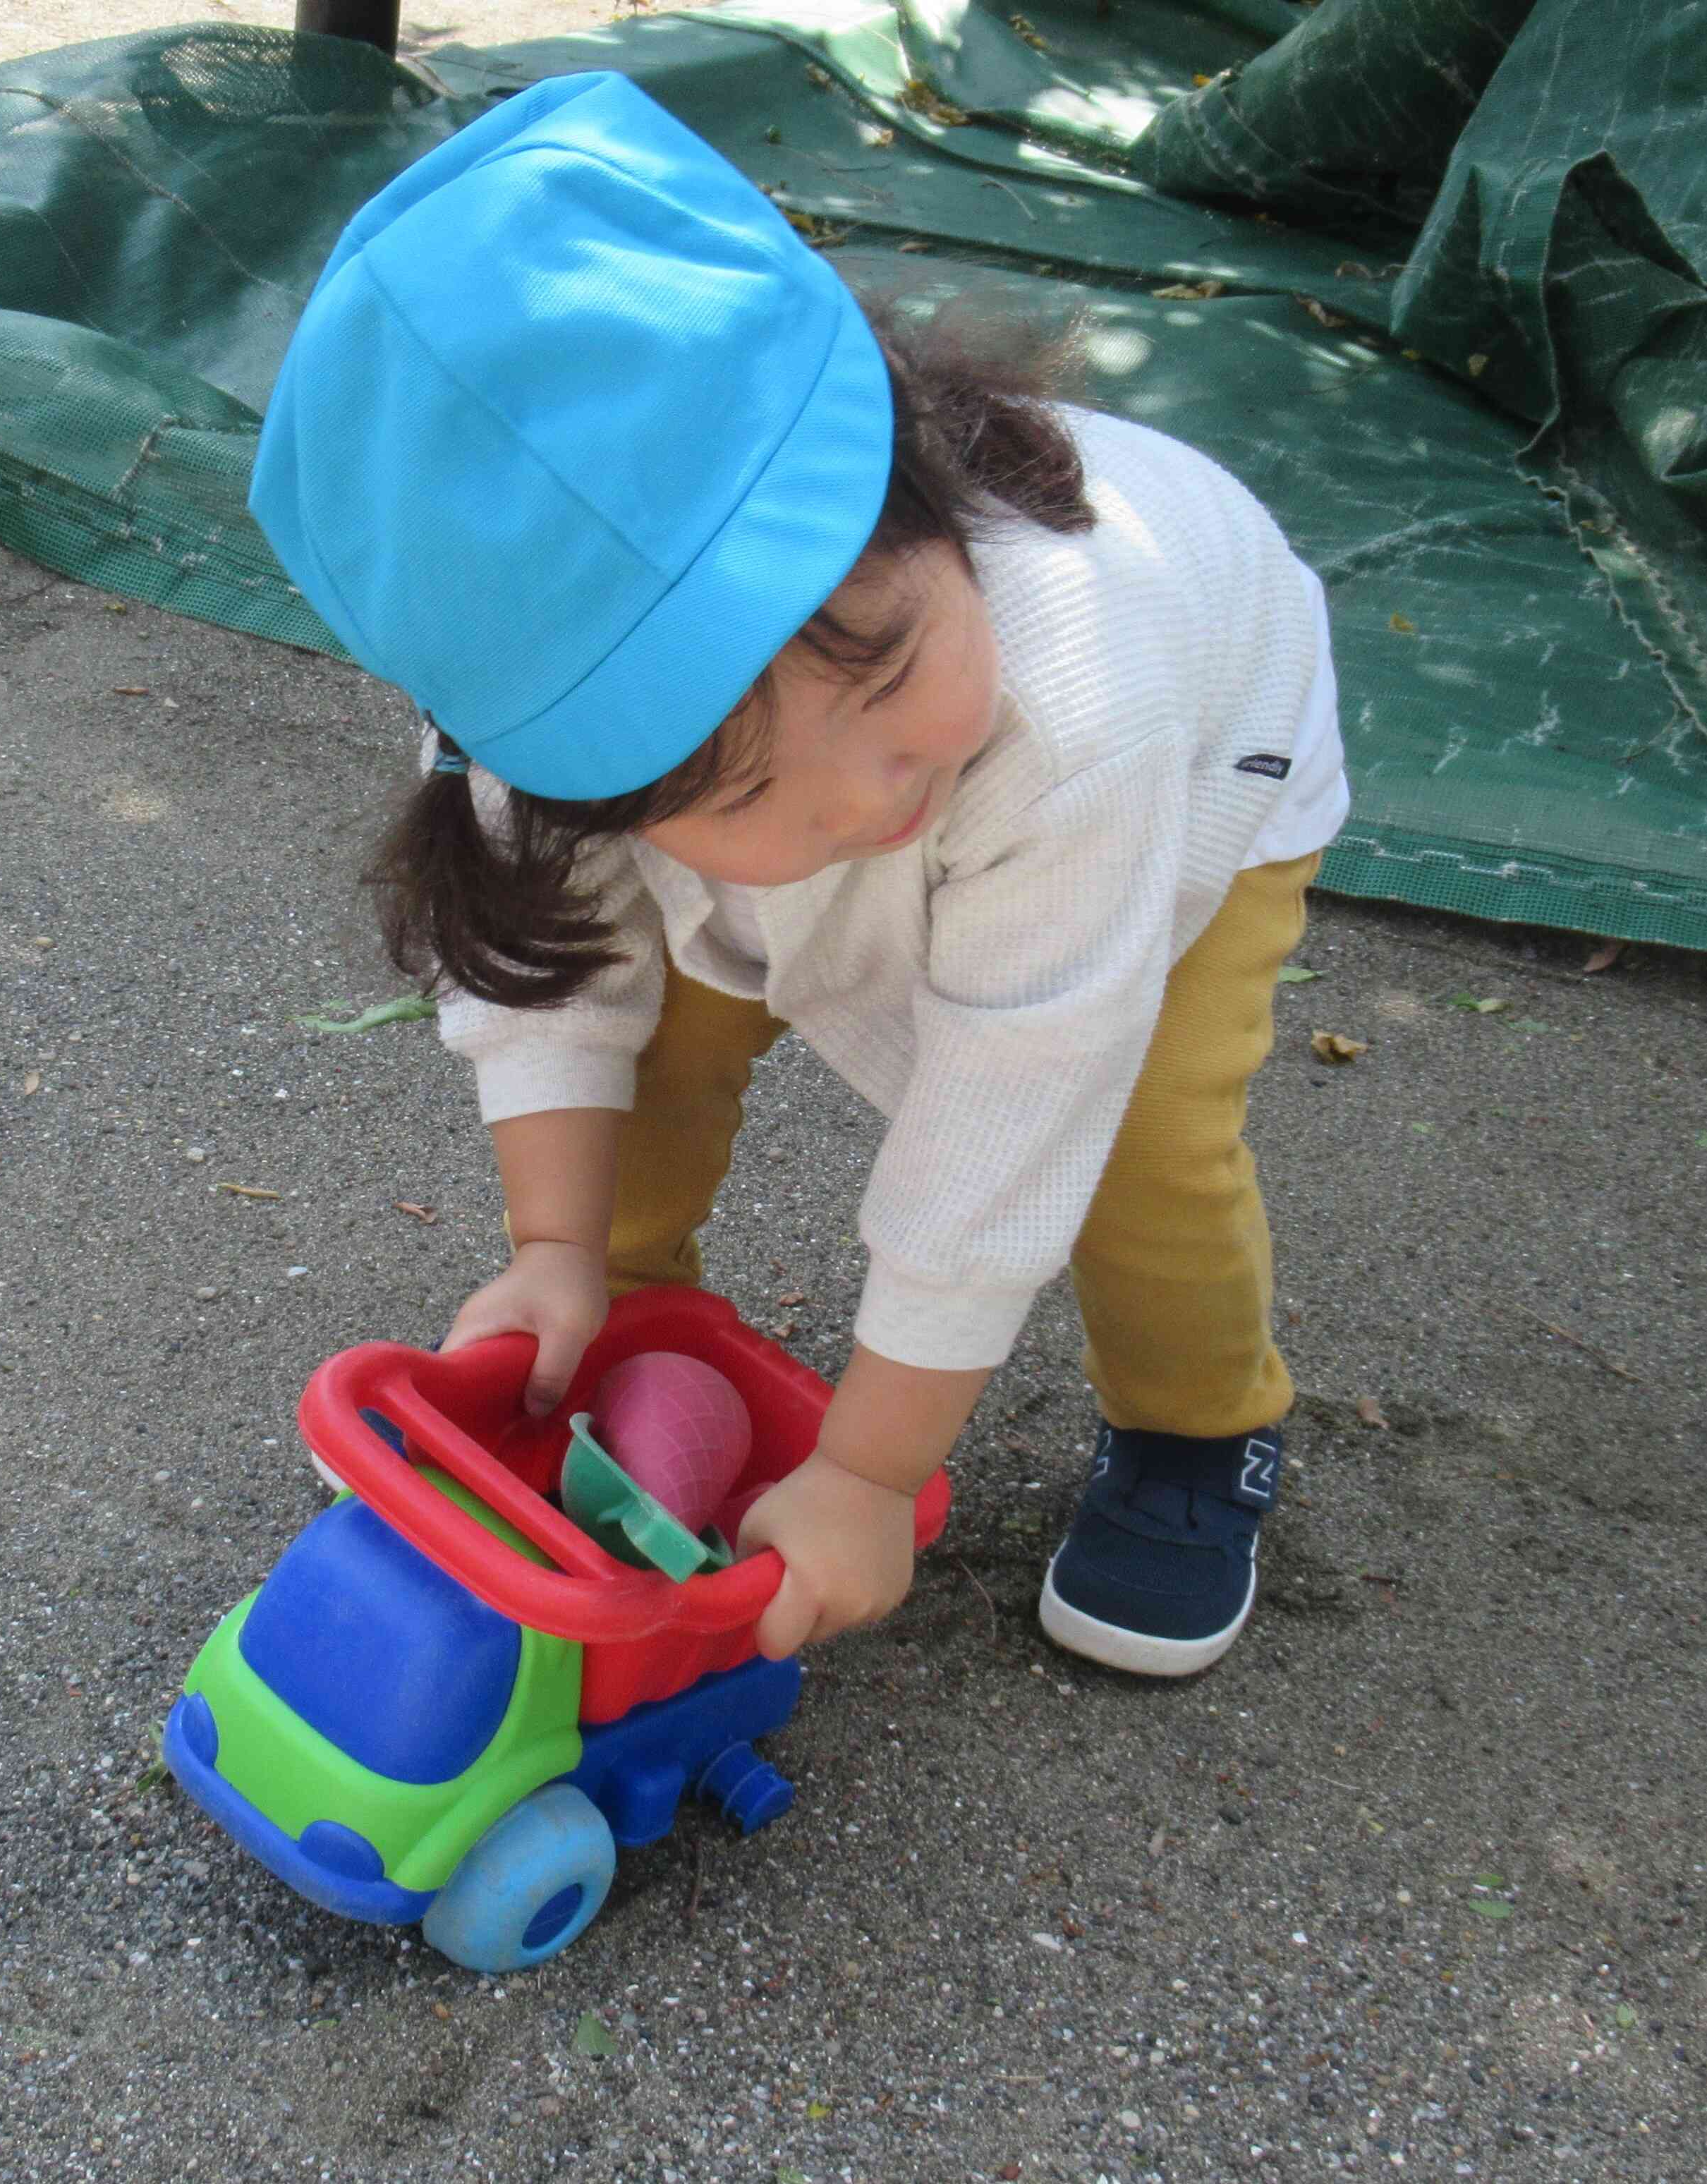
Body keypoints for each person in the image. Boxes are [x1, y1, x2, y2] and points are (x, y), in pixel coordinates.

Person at [248, 71, 1348, 1678]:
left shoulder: (1078, 701)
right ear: (588, 775)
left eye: (893, 671)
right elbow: (556, 973)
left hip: (1194, 790)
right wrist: (551, 1247)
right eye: (752, 783)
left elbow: (1007, 1122)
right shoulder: (556, 714)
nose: (874, 791)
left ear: (903, 461)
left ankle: (1201, 1429)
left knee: (1138, 1150)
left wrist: (865, 1477)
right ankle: (615, 1322)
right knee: (663, 1046)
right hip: (926, 781)